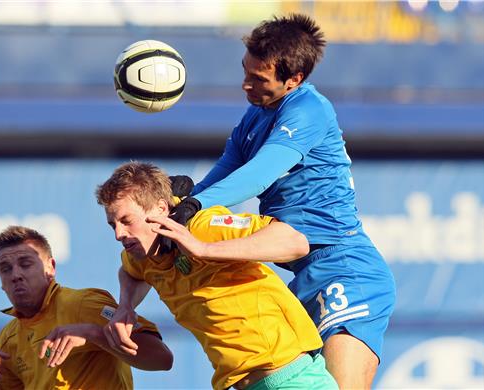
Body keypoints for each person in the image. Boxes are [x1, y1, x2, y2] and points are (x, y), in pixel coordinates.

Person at [167, 13, 396, 389]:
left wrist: (194, 206)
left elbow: (259, 174)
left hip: (346, 271)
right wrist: (185, 199)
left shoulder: (309, 109)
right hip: (300, 278)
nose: (245, 84)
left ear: (295, 79)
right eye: (245, 71)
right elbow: (226, 170)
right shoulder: (254, 116)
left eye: (258, 78)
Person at [96, 161, 338, 390]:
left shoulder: (202, 227)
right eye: (112, 224)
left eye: (126, 221)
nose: (119, 233)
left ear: (160, 209)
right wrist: (125, 306)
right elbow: (130, 273)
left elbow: (295, 242)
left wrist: (203, 249)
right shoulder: (140, 254)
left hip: (292, 379)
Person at [0, 225, 173, 390]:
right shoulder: (8, 339)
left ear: (50, 268)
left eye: (26, 264)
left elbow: (162, 358)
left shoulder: (82, 304)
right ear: (0, 281)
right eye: (5, 269)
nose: (16, 275)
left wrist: (93, 333)